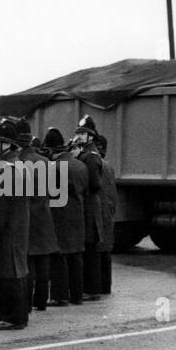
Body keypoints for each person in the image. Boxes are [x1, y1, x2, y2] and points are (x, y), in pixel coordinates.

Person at [0, 119, 30, 330]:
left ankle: (14, 317)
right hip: (16, 227)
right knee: (9, 270)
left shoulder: (7, 169)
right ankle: (7, 312)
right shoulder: (17, 165)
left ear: (7, 144)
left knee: (10, 272)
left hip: (7, 228)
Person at [17, 119, 57, 313]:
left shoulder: (18, 162)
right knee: (42, 262)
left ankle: (26, 303)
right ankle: (41, 301)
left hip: (26, 215)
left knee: (27, 263)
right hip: (44, 214)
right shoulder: (46, 162)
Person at [46, 127, 87, 306]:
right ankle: (77, 295)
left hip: (60, 216)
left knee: (60, 257)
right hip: (77, 215)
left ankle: (59, 296)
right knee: (76, 257)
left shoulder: (55, 168)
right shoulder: (81, 165)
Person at [74, 116, 104, 301]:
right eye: (78, 132)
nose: (78, 136)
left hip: (89, 207)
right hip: (87, 206)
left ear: (91, 137)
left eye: (83, 133)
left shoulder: (91, 157)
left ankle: (92, 289)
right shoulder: (85, 154)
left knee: (90, 249)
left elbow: (93, 185)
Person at [97, 134, 118, 295]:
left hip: (100, 212)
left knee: (98, 252)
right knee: (105, 253)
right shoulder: (109, 166)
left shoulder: (98, 165)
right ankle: (105, 287)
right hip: (108, 212)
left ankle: (97, 287)